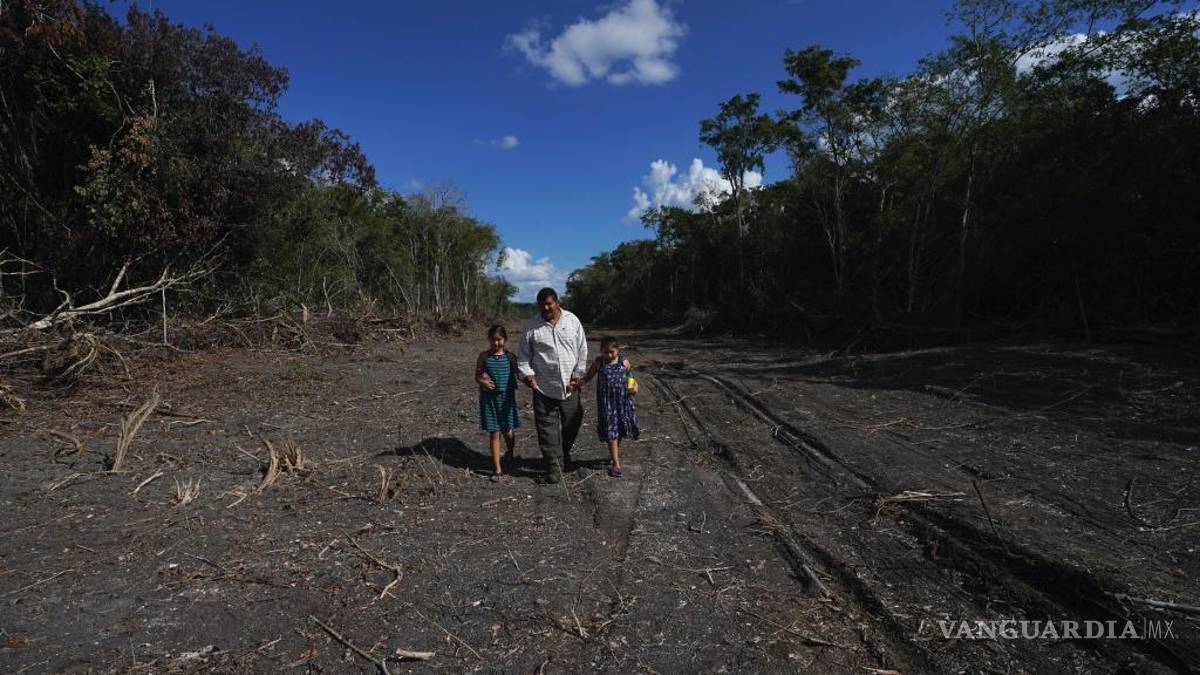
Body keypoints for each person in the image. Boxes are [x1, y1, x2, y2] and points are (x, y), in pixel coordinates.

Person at [517, 287, 587, 484]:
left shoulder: (572, 321)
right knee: (547, 431)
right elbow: (523, 357)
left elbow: (582, 349)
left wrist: (578, 373)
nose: (546, 307)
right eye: (542, 304)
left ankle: (562, 454)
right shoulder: (531, 326)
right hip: (544, 388)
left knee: (572, 424)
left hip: (569, 387)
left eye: (549, 303)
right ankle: (554, 468)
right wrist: (528, 376)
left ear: (557, 302)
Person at [583, 336, 639, 478]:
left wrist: (633, 387)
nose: (608, 355)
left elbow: (630, 377)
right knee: (611, 431)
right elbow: (588, 377)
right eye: (605, 352)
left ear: (617, 350)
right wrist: (577, 383)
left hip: (622, 401)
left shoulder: (623, 362)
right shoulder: (598, 363)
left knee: (619, 429)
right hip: (607, 403)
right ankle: (616, 463)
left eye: (611, 352)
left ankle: (614, 455)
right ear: (601, 351)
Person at [476, 325, 519, 483]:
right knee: (494, 433)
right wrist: (483, 382)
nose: (495, 343)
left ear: (505, 340)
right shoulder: (484, 357)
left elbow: (520, 374)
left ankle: (510, 452)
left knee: (507, 430)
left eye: (499, 339)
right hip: (489, 401)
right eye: (493, 339)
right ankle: (497, 469)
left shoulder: (511, 357)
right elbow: (477, 375)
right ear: (489, 340)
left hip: (507, 400)